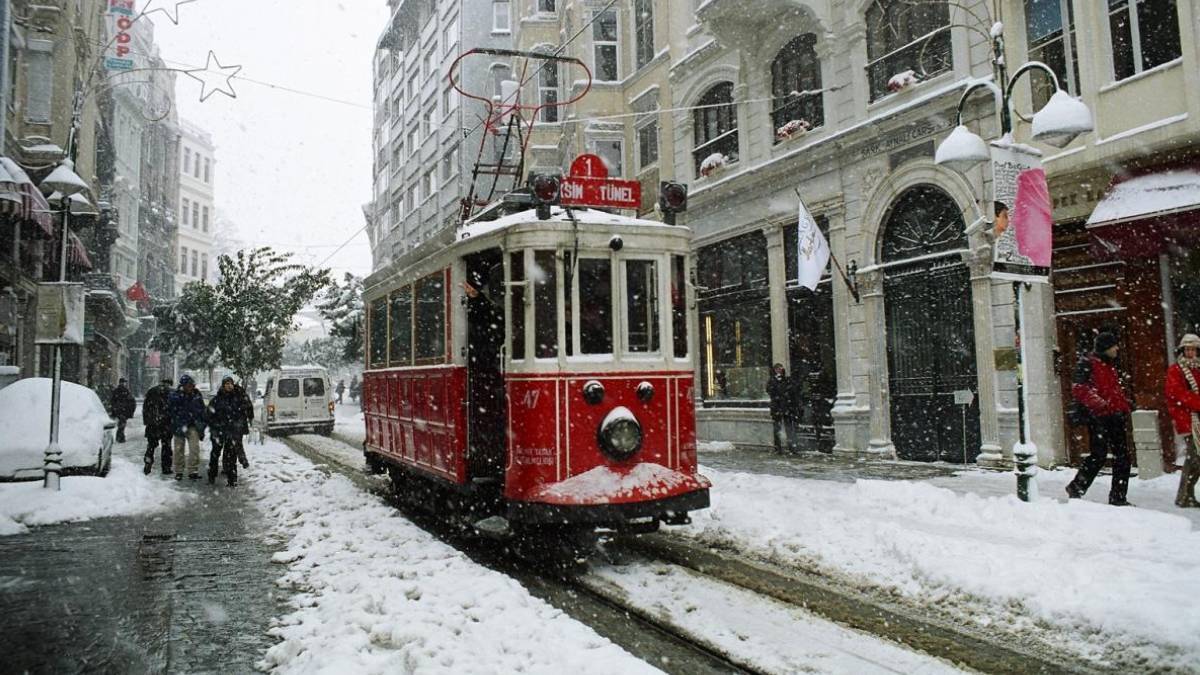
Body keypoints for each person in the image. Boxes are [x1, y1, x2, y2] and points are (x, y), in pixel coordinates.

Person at [1066, 332, 1134, 506]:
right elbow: (1079, 388)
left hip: (1114, 415)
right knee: (1100, 455)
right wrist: (1101, 404)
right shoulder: (1088, 363)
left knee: (1122, 457)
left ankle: (1118, 497)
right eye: (1114, 345)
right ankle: (1077, 487)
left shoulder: (1109, 365)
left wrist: (1124, 406)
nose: (1117, 348)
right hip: (1099, 417)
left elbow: (1113, 391)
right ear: (1106, 347)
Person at [1165, 334, 1200, 508]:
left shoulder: (1198, 368)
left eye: (1193, 349)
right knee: (1195, 457)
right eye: (1187, 349)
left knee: (1196, 458)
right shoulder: (1176, 370)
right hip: (1188, 419)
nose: (1190, 352)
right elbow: (1178, 395)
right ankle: (1184, 495)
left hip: (1197, 418)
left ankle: (1187, 494)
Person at [206, 376, 254, 487]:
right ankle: (212, 476)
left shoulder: (238, 397)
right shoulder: (217, 399)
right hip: (219, 431)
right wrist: (214, 425)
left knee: (231, 456)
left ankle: (232, 480)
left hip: (232, 431)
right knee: (215, 454)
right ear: (223, 386)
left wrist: (246, 419)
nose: (229, 386)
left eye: (230, 383)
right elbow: (209, 414)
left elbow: (247, 408)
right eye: (226, 384)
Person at [168, 374, 207, 481]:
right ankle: (179, 471)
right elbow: (170, 411)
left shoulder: (196, 395)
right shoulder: (175, 396)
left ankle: (193, 471)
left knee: (194, 449)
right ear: (183, 385)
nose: (191, 387)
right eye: (188, 385)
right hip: (179, 426)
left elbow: (202, 410)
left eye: (192, 385)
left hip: (193, 426)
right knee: (178, 450)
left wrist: (202, 424)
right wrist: (175, 423)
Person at [142, 378, 174, 475]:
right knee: (166, 446)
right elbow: (173, 409)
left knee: (151, 445)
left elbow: (145, 407)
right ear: (170, 384)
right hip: (166, 424)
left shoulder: (152, 391)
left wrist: (147, 421)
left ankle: (148, 462)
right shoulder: (172, 393)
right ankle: (166, 467)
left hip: (152, 424)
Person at [766, 363, 797, 454]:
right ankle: (778, 447)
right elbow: (770, 391)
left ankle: (791, 446)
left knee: (788, 427)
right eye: (777, 369)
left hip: (786, 406)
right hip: (776, 407)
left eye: (780, 369)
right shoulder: (772, 380)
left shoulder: (786, 380)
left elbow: (791, 390)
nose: (778, 371)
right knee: (777, 428)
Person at [108, 378, 136, 443]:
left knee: (122, 424)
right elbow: (113, 401)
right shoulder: (121, 391)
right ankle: (120, 437)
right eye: (123, 382)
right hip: (121, 410)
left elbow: (131, 401)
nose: (123, 384)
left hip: (122, 410)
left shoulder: (124, 391)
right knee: (122, 424)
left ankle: (120, 437)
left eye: (124, 382)